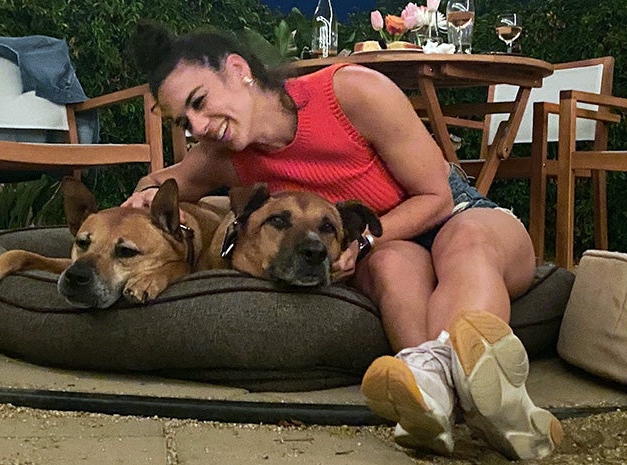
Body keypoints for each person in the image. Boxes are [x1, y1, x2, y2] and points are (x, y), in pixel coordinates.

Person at [123, 20, 562, 460]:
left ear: (239, 69)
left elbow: (437, 196)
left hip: (456, 213)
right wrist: (149, 199)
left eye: (200, 103)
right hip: (386, 245)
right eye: (185, 120)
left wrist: (365, 243)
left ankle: (444, 395)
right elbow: (156, 185)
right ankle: (464, 402)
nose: (198, 127)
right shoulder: (224, 156)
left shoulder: (349, 91)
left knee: (465, 243)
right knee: (390, 269)